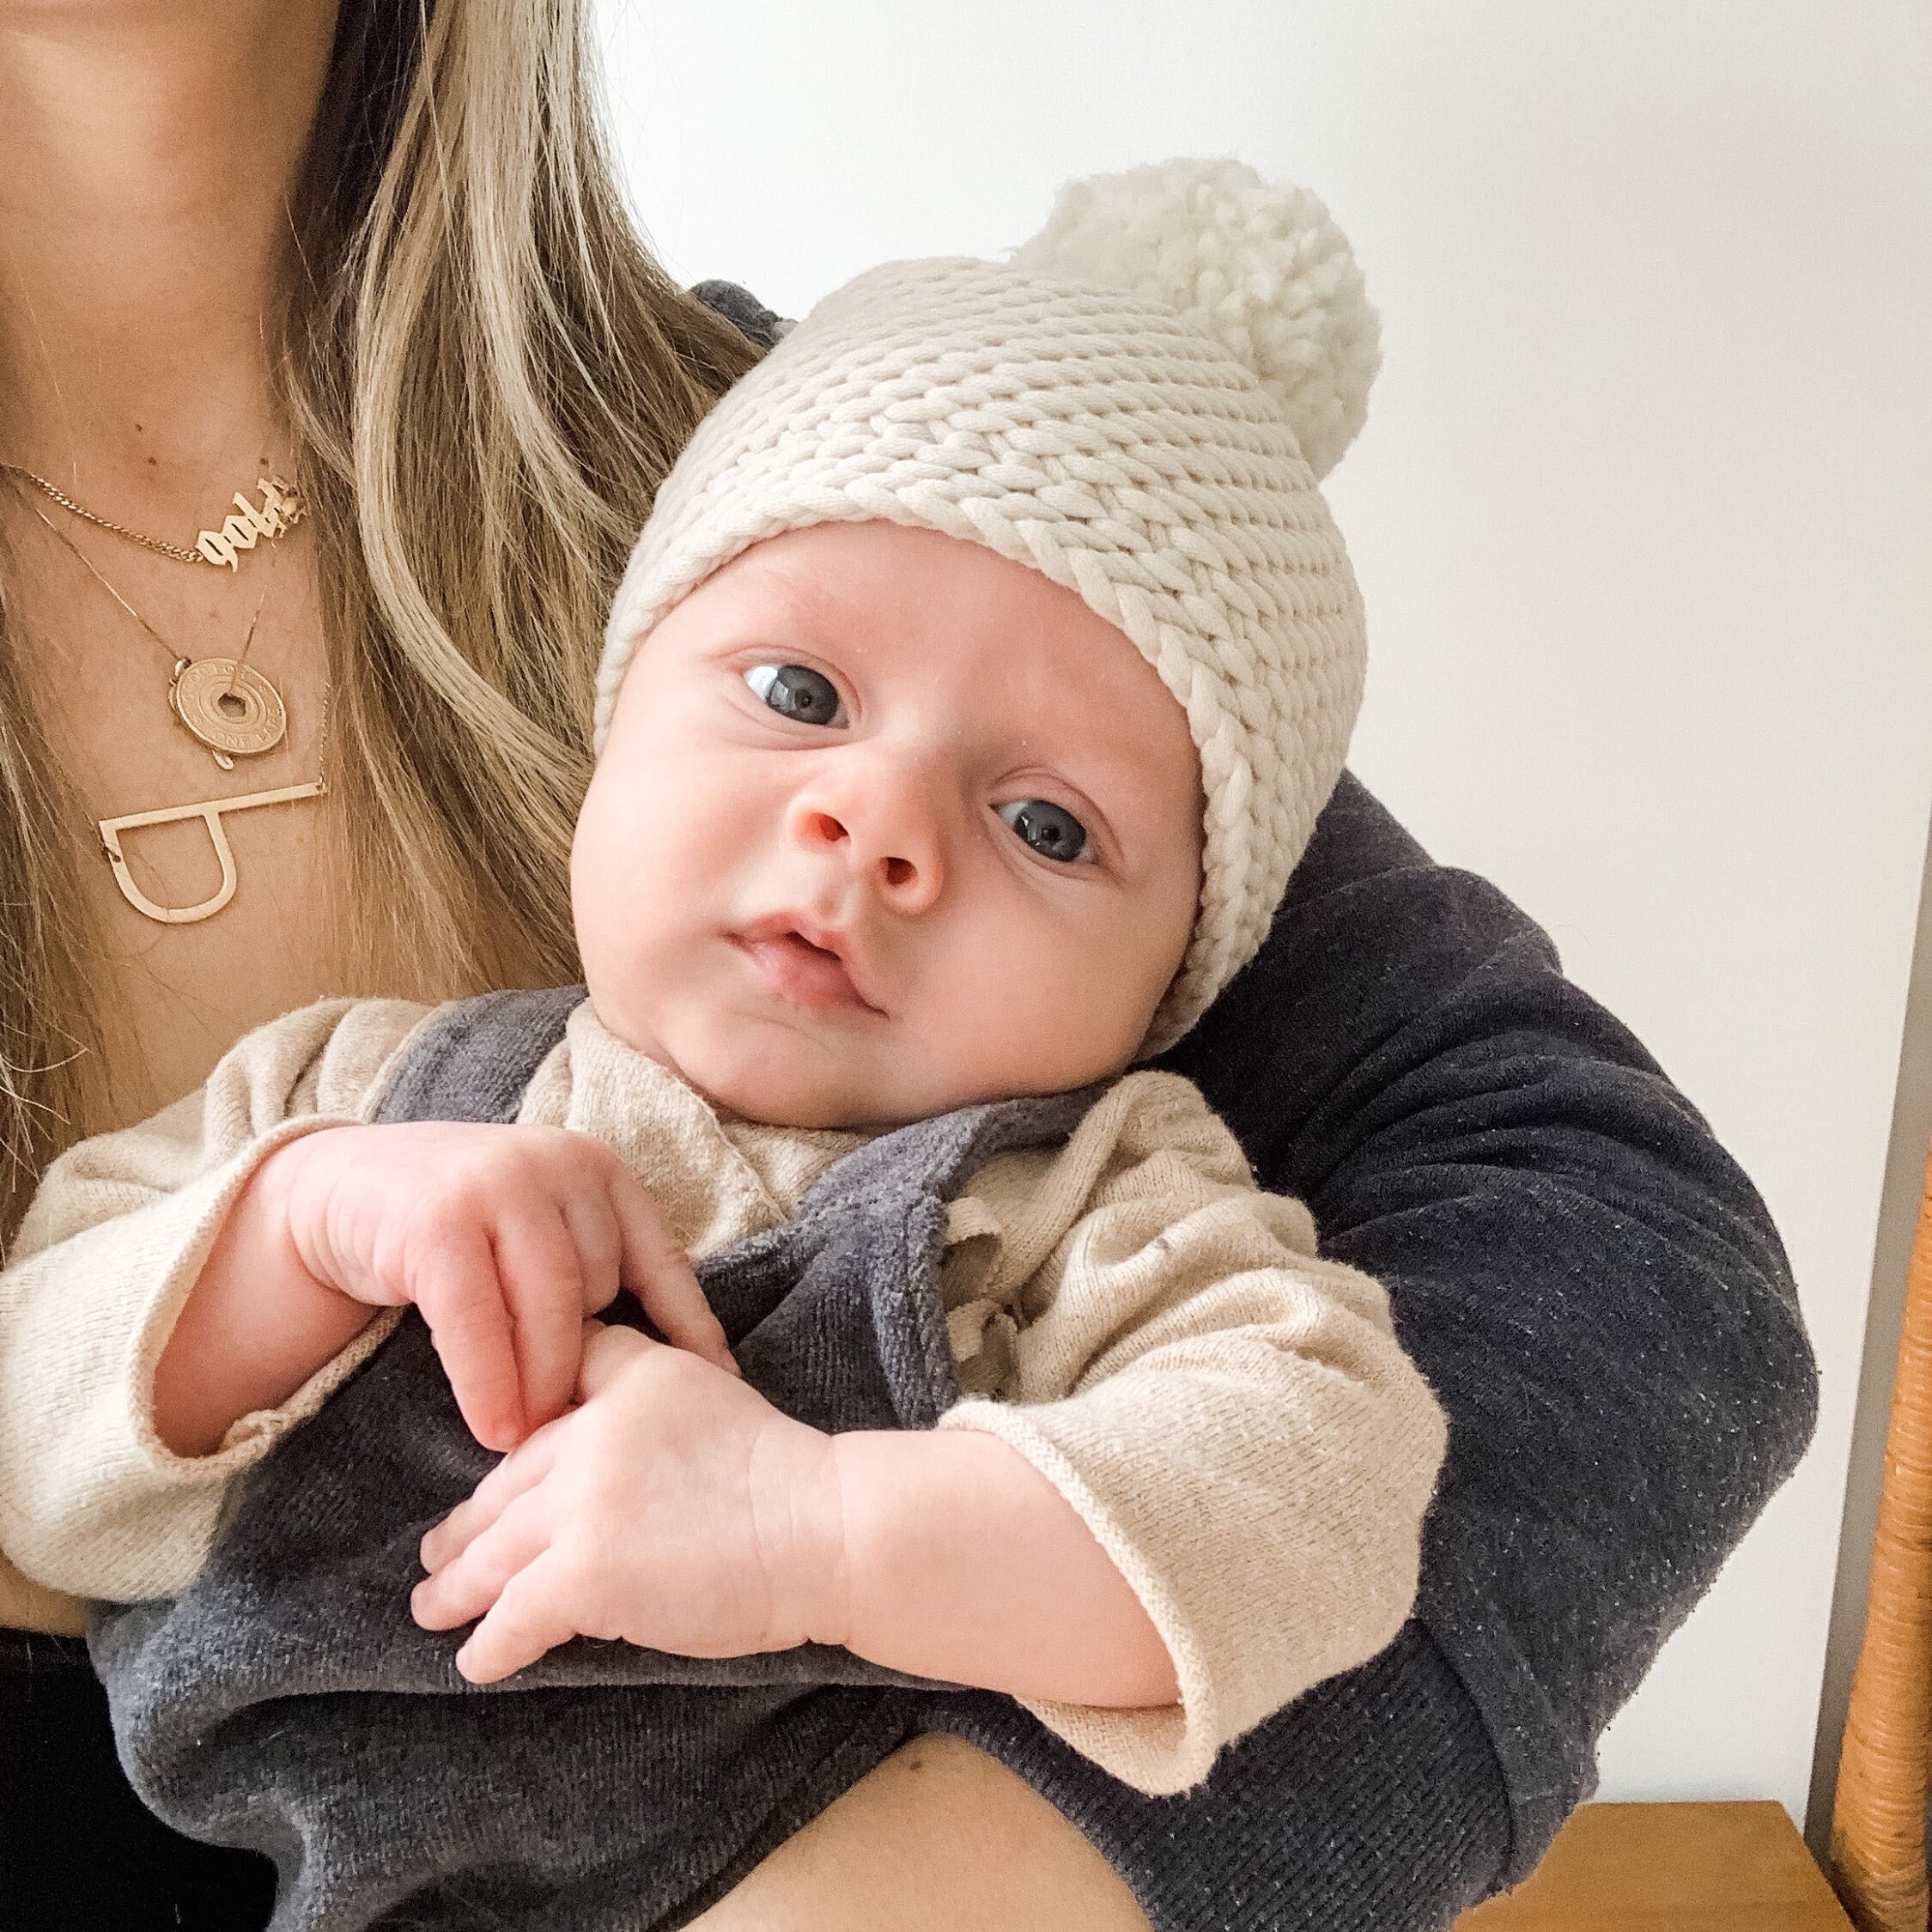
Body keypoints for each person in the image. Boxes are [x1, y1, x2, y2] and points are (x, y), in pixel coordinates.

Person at [0, 6, 1816, 1931]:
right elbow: (42, 1405)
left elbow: (1346, 1474)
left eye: (1047, 828)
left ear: (1187, 971)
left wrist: (831, 1543)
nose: (880, 824)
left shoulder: (1093, 1188)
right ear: (622, 718)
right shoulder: (353, 1091)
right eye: (797, 700)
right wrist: (279, 1243)